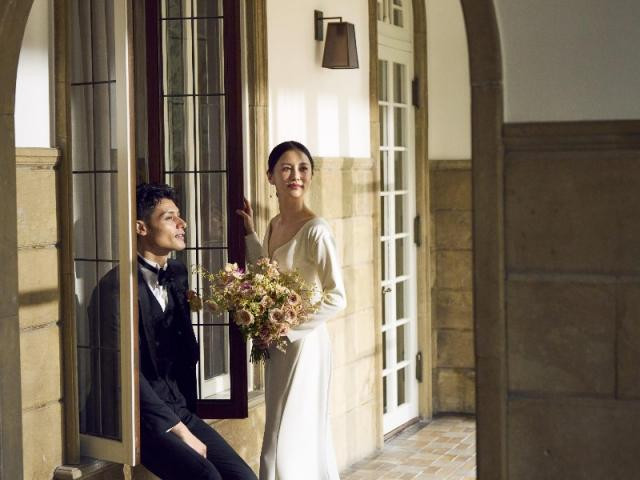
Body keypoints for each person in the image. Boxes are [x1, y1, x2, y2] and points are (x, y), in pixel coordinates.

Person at [92, 183, 257, 480]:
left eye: (179, 216)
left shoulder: (178, 274)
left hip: (179, 408)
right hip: (137, 417)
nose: (182, 223)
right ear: (141, 227)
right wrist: (179, 430)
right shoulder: (114, 289)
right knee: (207, 476)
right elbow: (123, 372)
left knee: (244, 477)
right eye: (169, 218)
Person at [236, 141, 347, 480]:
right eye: (286, 168)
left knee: (287, 439)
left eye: (303, 168)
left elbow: (337, 297)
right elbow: (267, 273)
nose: (295, 175)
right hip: (278, 346)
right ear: (270, 176)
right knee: (279, 430)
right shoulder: (274, 224)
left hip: (305, 345)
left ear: (311, 176)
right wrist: (251, 234)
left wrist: (288, 329)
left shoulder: (317, 231)